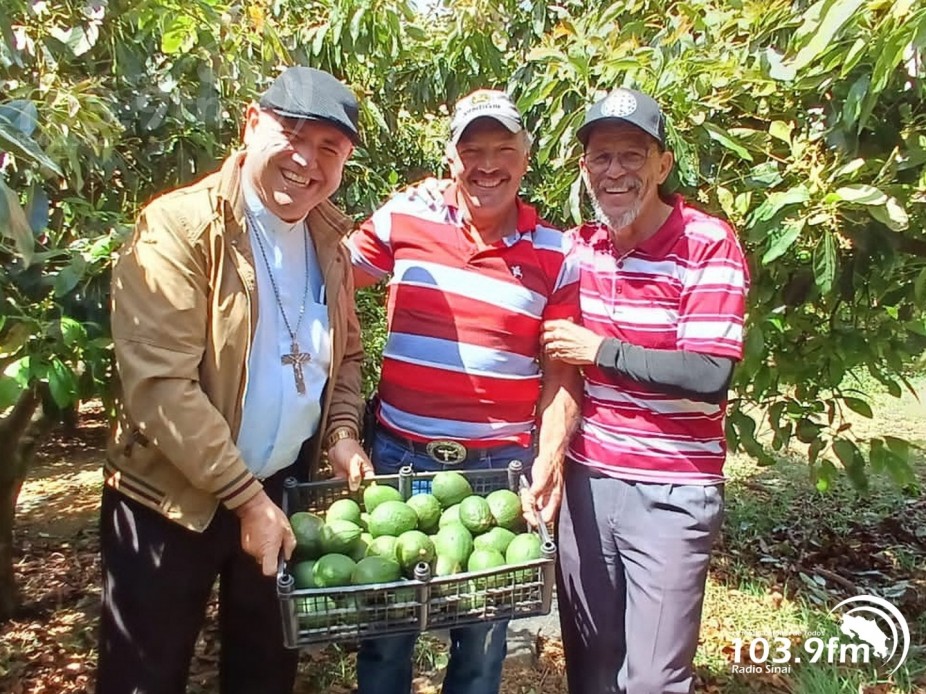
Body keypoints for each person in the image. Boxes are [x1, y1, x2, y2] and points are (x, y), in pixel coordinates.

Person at [98, 66, 371, 694]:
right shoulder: (180, 227)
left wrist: (341, 431)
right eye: (292, 133)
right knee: (145, 673)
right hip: (171, 499)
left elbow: (346, 354)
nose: (307, 160)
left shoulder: (330, 238)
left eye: (330, 146)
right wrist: (245, 499)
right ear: (251, 124)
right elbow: (160, 387)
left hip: (280, 489)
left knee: (264, 668)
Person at [344, 89, 581, 694]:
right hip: (399, 458)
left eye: (503, 148)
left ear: (526, 160)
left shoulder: (558, 252)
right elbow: (325, 275)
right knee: (386, 631)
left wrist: (549, 457)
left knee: (481, 641)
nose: (487, 164)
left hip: (498, 468)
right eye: (471, 149)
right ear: (451, 157)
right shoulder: (404, 218)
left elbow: (561, 373)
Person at [538, 88, 750, 693]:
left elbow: (709, 374)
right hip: (589, 483)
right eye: (601, 157)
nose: (616, 171)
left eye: (633, 155)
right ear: (585, 169)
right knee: (592, 666)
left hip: (673, 488)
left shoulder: (706, 242)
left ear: (663, 164)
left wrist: (598, 351)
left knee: (655, 678)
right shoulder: (581, 249)